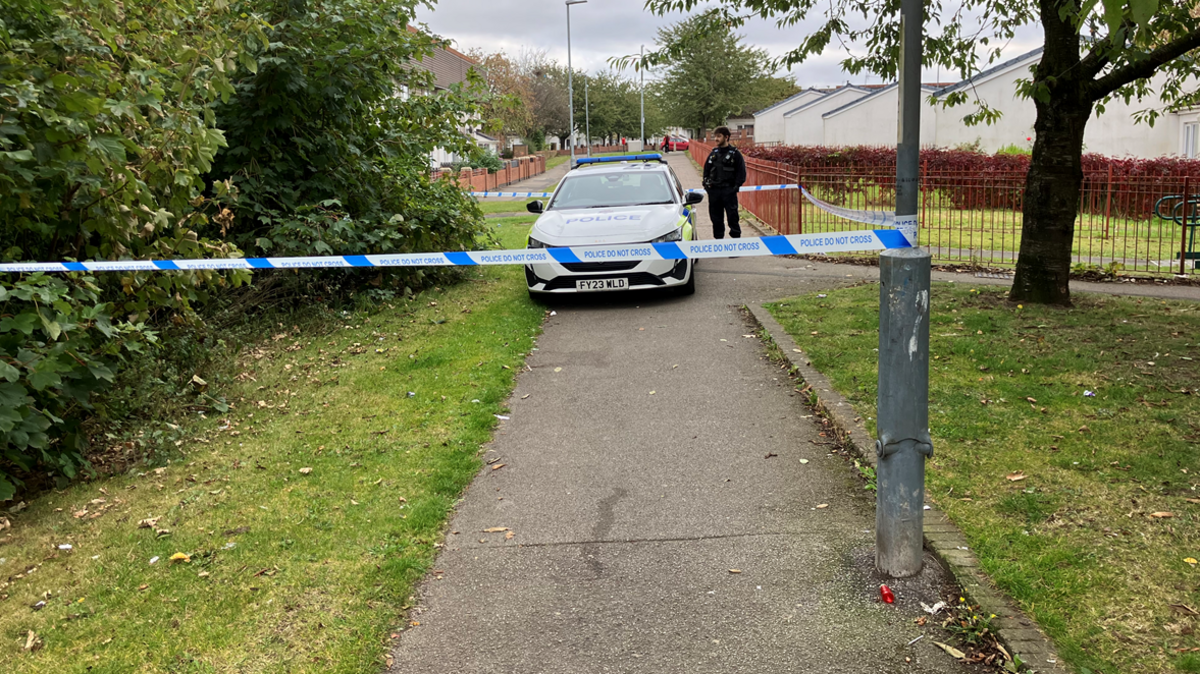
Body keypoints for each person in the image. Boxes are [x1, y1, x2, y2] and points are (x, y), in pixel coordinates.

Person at [702, 126, 747, 239]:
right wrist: (707, 186)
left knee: (733, 218)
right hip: (714, 191)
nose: (716, 139)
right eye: (715, 136)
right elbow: (706, 171)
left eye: (719, 136)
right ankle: (719, 244)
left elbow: (741, 173)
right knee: (716, 219)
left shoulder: (735, 154)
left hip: (729, 191)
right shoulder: (713, 154)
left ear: (726, 137)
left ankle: (735, 243)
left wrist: (735, 187)